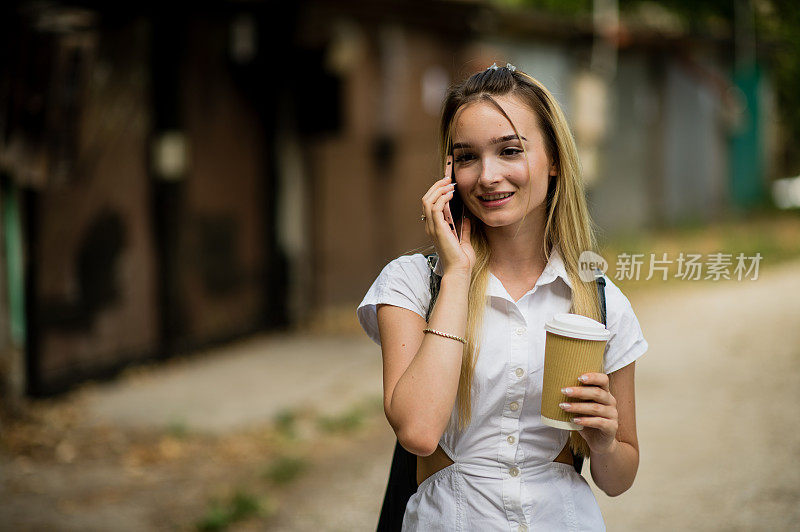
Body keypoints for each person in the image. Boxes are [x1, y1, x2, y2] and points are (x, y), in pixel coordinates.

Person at [357, 63, 648, 531]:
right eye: (467, 157)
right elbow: (417, 430)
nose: (487, 176)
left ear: (553, 159)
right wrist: (457, 276)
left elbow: (618, 479)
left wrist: (605, 442)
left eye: (509, 150)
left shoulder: (600, 299)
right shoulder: (412, 283)